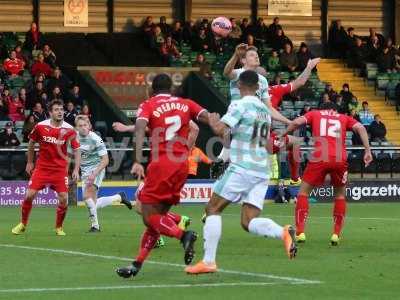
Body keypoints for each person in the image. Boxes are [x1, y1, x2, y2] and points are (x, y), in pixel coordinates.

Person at [186, 70, 297, 275]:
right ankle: (282, 232)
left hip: (243, 167)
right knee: (248, 221)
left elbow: (221, 130)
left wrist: (212, 121)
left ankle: (209, 261)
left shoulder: (240, 104)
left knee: (212, 208)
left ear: (239, 86)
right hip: (261, 169)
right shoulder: (264, 110)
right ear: (257, 87)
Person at [115, 74, 214, 278]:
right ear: (172, 88)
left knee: (147, 214)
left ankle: (183, 235)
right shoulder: (186, 103)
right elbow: (205, 118)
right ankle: (136, 265)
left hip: (162, 164)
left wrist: (137, 160)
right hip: (182, 165)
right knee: (156, 218)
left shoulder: (148, 105)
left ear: (153, 88)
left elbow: (140, 129)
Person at [283, 102, 372, 245]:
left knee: (303, 193)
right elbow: (361, 127)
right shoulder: (343, 117)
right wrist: (367, 150)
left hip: (320, 156)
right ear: (334, 110)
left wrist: (284, 134)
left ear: (322, 108)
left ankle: (300, 232)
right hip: (339, 158)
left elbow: (295, 123)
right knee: (340, 195)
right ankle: (336, 234)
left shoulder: (315, 114)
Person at [112, 118, 198, 248]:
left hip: (162, 169)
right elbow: (195, 129)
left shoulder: (168, 116)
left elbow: (145, 128)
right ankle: (178, 220)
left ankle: (167, 231)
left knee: (143, 206)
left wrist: (126, 128)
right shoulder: (175, 120)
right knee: (146, 206)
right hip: (170, 168)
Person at [11, 99, 81, 236]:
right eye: (56, 110)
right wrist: (30, 162)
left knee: (63, 198)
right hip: (42, 168)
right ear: (50, 113)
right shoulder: (40, 126)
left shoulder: (69, 129)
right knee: (29, 195)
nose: (60, 112)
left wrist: (76, 169)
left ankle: (59, 227)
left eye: (61, 109)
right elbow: (31, 143)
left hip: (60, 169)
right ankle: (23, 224)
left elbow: (77, 149)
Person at [75, 115, 132, 232]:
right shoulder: (74, 138)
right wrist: (76, 169)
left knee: (86, 197)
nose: (83, 128)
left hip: (97, 169)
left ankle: (95, 226)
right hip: (85, 170)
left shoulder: (96, 139)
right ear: (76, 127)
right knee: (92, 204)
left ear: (89, 126)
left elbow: (105, 160)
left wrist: (94, 174)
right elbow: (76, 155)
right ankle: (119, 196)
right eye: (80, 126)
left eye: (85, 125)